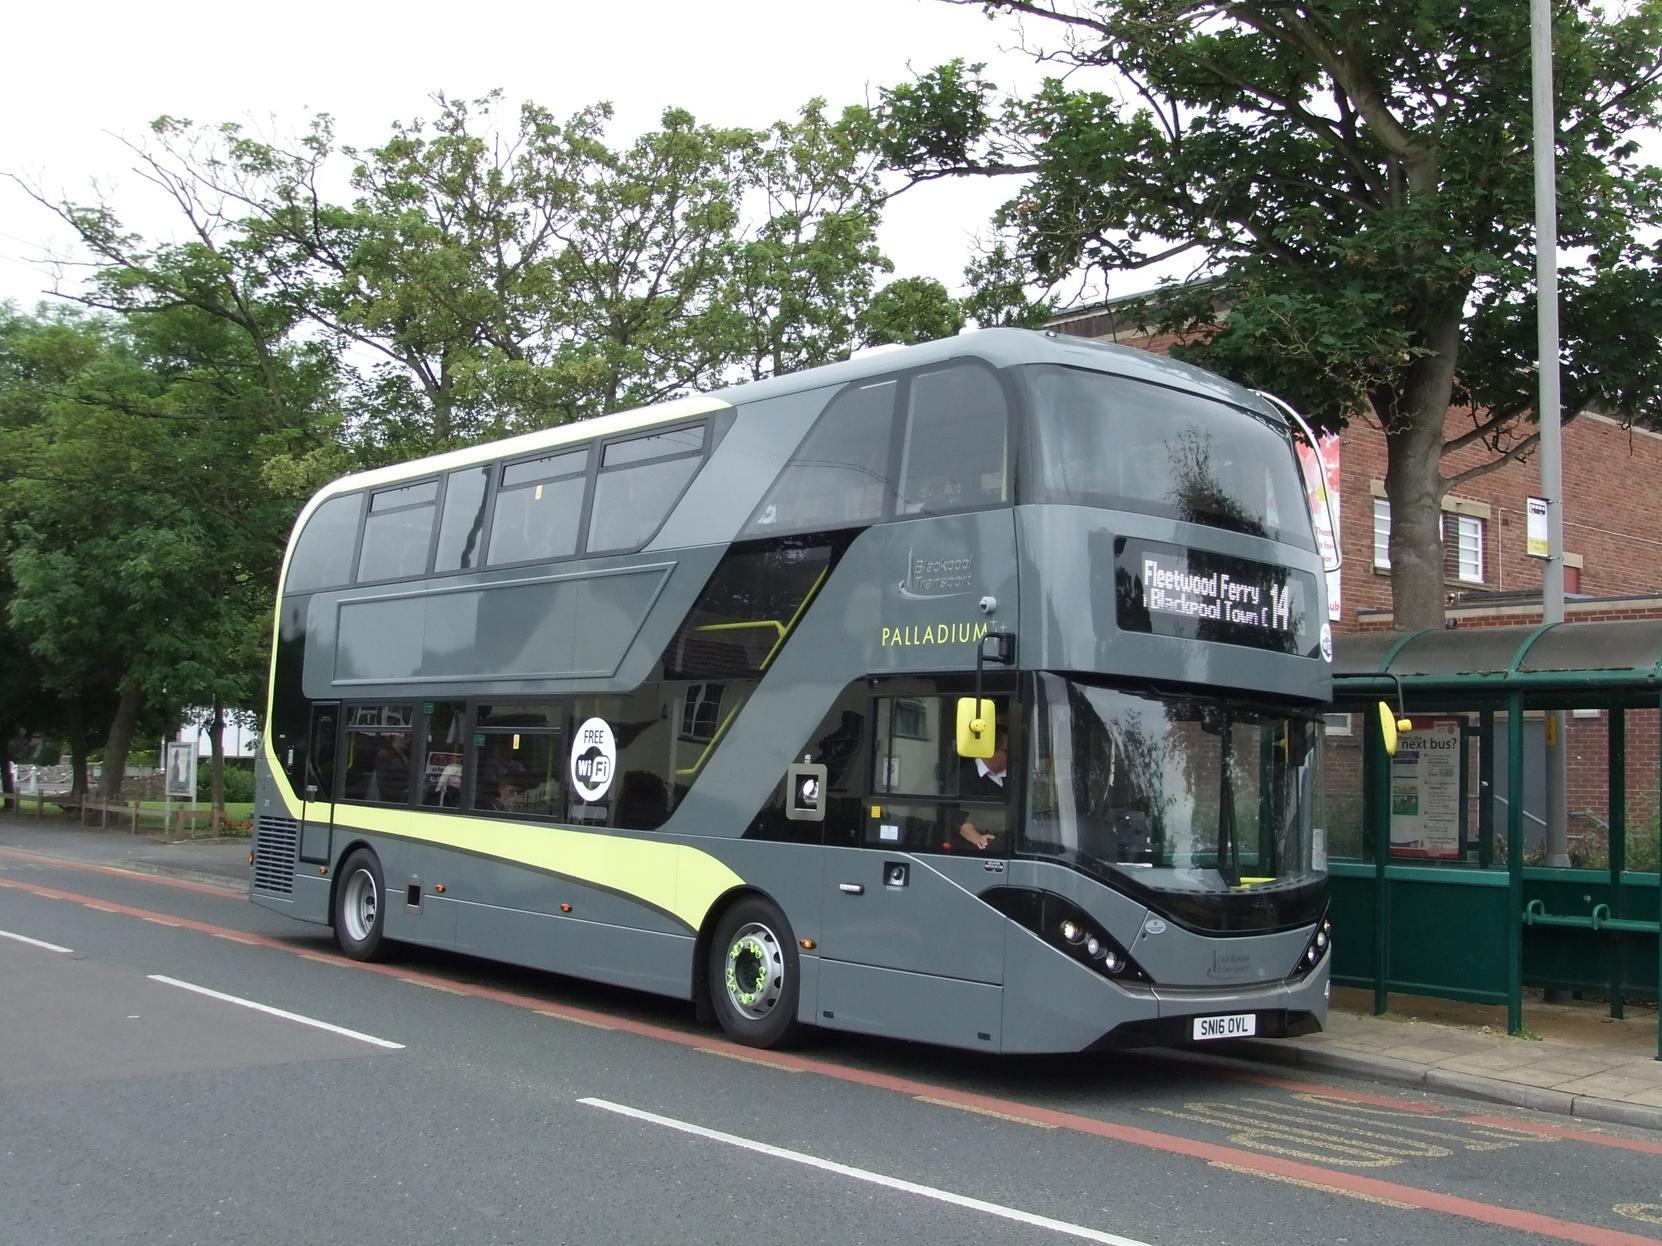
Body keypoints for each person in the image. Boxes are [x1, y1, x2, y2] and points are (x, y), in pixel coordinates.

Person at [956, 729, 1009, 851]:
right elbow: (960, 819)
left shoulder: (1013, 776)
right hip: (979, 850)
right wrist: (979, 839)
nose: (1011, 756)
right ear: (990, 750)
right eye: (1006, 751)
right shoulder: (964, 777)